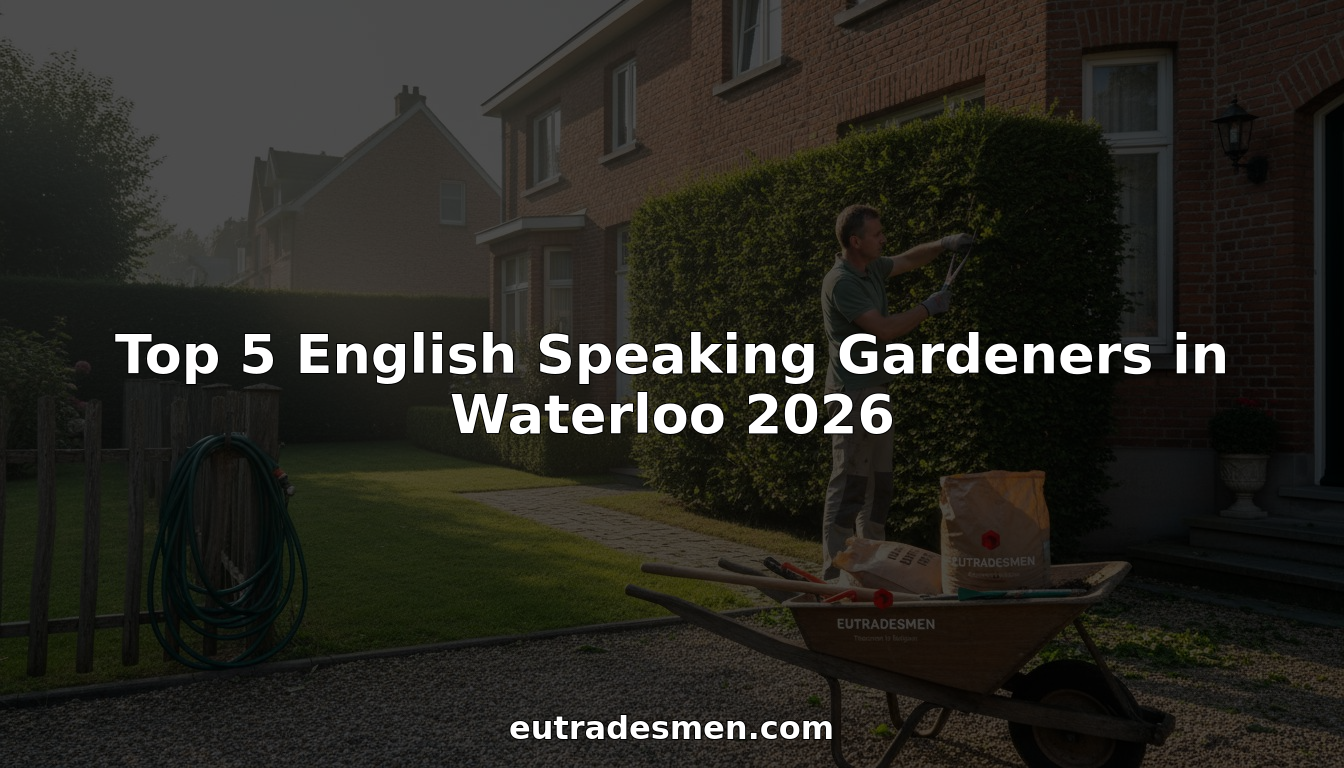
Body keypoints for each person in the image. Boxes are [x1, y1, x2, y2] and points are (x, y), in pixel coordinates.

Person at [820, 203, 974, 581]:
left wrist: (944, 243)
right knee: (851, 482)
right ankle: (833, 571)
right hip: (852, 393)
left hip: (876, 388)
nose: (884, 239)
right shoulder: (841, 282)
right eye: (877, 234)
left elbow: (907, 260)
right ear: (856, 242)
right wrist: (928, 307)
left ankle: (870, 565)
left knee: (880, 483)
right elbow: (884, 329)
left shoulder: (871, 267)